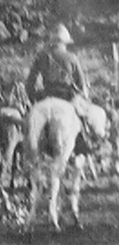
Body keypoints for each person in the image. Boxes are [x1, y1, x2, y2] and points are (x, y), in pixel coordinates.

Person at [26, 24, 96, 152]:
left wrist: (35, 97)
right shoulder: (72, 58)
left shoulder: (41, 57)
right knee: (83, 119)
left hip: (47, 97)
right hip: (68, 98)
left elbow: (30, 84)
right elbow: (81, 85)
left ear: (51, 42)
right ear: (65, 43)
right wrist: (80, 95)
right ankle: (85, 144)